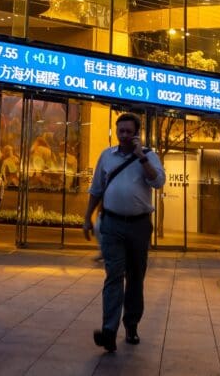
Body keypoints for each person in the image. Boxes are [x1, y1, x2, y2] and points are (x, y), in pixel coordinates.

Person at [83, 112, 166, 352]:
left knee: (136, 278)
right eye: (122, 131)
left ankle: (131, 325)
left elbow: (158, 182)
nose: (125, 136)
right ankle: (109, 330)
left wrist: (141, 157)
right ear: (117, 131)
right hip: (112, 224)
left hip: (139, 225)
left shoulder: (149, 156)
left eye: (130, 132)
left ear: (137, 134)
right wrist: (88, 217)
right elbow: (96, 188)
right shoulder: (106, 156)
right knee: (113, 276)